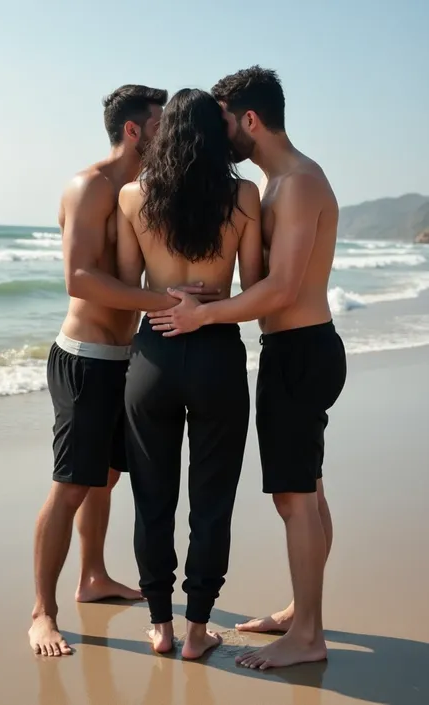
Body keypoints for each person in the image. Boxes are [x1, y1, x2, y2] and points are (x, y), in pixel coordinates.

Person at [147, 67, 347, 670]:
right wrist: (215, 302)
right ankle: (300, 609)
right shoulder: (280, 183)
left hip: (301, 348)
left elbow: (282, 290)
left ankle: (308, 634)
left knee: (294, 499)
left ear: (249, 120)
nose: (220, 132)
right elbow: (266, 287)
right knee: (308, 490)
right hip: (298, 349)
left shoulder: (299, 182)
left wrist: (202, 318)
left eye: (226, 120)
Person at [29, 84, 219, 657]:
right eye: (162, 124)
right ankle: (42, 611)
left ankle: (93, 576)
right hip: (86, 359)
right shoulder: (90, 186)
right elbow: (80, 279)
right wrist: (164, 302)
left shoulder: (144, 191)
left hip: (125, 358)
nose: (170, 133)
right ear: (135, 130)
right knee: (71, 484)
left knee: (106, 478)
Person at [116, 88, 263, 660]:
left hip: (153, 352)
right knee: (212, 499)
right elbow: (254, 290)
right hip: (217, 350)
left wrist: (165, 297)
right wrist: (205, 301)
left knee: (152, 496)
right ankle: (198, 628)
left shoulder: (134, 197)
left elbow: (131, 287)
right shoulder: (244, 195)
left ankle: (160, 624)